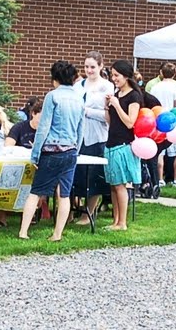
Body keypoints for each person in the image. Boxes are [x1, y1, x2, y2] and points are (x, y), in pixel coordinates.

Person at [20, 60, 85, 241]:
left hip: (51, 150)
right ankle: (57, 234)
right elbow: (81, 129)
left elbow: (44, 127)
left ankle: (23, 232)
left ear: (55, 78)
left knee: (36, 191)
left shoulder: (52, 96)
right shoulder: (79, 98)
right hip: (71, 151)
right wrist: (75, 150)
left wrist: (35, 154)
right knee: (64, 194)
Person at [101, 60, 143, 231]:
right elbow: (112, 122)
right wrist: (106, 108)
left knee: (120, 185)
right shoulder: (116, 94)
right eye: (112, 75)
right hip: (111, 142)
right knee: (113, 184)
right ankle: (116, 220)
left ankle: (122, 222)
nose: (114, 78)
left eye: (116, 75)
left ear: (126, 76)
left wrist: (117, 105)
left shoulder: (134, 96)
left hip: (123, 145)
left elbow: (129, 122)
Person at [73, 52, 113, 224]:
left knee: (94, 175)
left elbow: (107, 115)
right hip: (78, 136)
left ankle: (88, 213)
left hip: (97, 135)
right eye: (86, 67)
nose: (89, 70)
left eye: (92, 67)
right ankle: (73, 209)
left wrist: (87, 112)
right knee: (77, 175)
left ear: (100, 66)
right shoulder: (78, 85)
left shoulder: (107, 86)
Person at [148, 64, 176, 188]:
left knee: (159, 152)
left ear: (161, 72)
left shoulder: (155, 86)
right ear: (174, 74)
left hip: (157, 119)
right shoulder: (175, 86)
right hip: (171, 119)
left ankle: (160, 178)